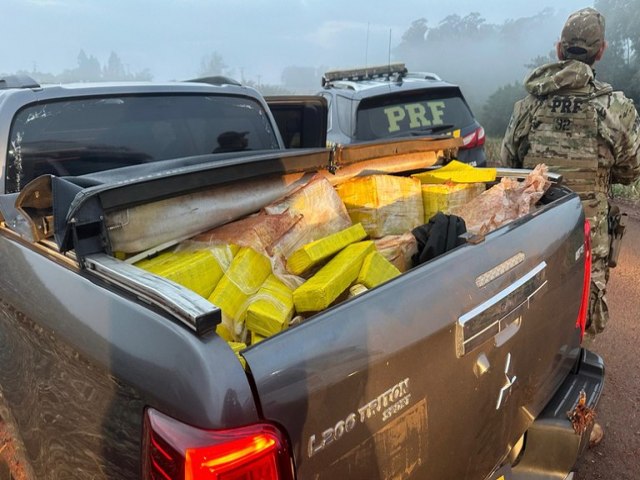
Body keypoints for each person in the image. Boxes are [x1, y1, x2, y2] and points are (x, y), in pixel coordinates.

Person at [501, 8, 640, 446]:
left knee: (530, 322)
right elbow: (631, 169)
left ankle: (517, 418)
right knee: (577, 332)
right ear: (600, 52)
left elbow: (506, 167)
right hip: (585, 239)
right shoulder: (614, 109)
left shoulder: (528, 104)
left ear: (559, 51)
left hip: (531, 239)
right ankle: (574, 427)